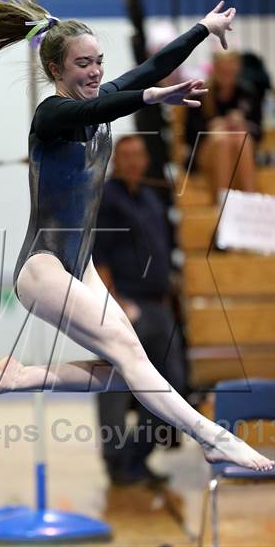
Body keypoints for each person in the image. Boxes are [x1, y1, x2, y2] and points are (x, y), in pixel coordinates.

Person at [0, 0, 274, 473]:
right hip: (42, 268)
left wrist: (203, 29)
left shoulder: (100, 99)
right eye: (83, 64)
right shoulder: (50, 115)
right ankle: (212, 437)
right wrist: (149, 97)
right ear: (57, 71)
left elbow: (150, 68)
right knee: (130, 355)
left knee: (122, 371)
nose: (95, 72)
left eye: (99, 62)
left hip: (76, 266)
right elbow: (96, 112)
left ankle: (22, 376)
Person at [93, 135, 187, 486]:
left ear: (146, 160)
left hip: (160, 307)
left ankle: (137, 456)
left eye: (138, 155)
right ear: (117, 160)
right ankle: (117, 461)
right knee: (116, 387)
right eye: (126, 156)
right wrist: (112, 304)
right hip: (125, 305)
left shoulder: (152, 198)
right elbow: (98, 255)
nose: (133, 162)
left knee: (173, 385)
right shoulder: (106, 199)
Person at [184, 50, 263, 203]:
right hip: (206, 152)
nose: (226, 74)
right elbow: (190, 136)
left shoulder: (248, 93)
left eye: (230, 71)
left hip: (240, 149)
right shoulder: (200, 94)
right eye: (222, 71)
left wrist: (243, 123)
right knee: (222, 140)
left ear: (237, 69)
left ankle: (250, 200)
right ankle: (223, 204)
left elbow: (259, 133)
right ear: (215, 69)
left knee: (241, 138)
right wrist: (211, 127)